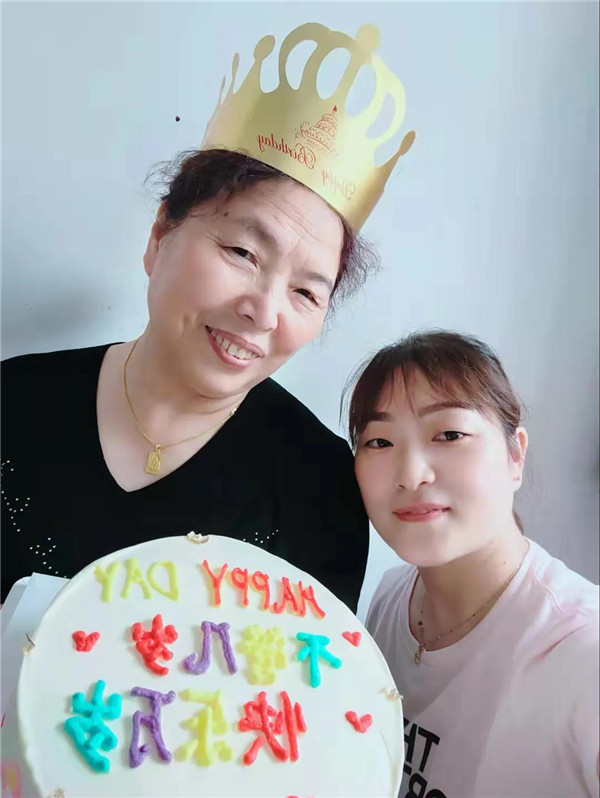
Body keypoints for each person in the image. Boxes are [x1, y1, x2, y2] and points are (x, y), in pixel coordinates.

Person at [0, 20, 416, 607]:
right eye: (243, 253)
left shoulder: (320, 489)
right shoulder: (13, 402)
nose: (264, 312)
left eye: (305, 292)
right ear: (160, 235)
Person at [347, 330, 599, 797]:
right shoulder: (389, 598)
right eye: (379, 442)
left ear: (515, 455)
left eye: (450, 434)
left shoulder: (580, 651)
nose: (411, 474)